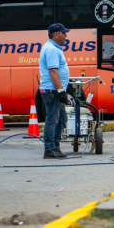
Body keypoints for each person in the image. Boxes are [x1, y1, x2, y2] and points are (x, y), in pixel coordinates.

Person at [39, 23, 71, 159]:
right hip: (52, 90)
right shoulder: (51, 49)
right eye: (64, 33)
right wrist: (60, 90)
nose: (66, 35)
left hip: (55, 89)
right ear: (56, 34)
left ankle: (55, 147)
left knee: (62, 118)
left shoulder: (54, 48)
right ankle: (49, 149)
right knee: (52, 119)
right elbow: (53, 71)